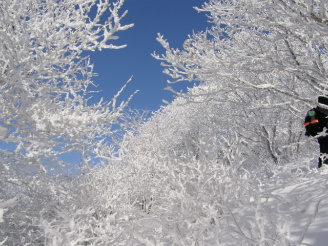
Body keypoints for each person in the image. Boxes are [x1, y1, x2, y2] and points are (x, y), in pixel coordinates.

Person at [304, 95, 328, 168]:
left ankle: (323, 168)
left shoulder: (313, 112)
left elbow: (309, 126)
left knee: (324, 154)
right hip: (323, 136)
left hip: (321, 137)